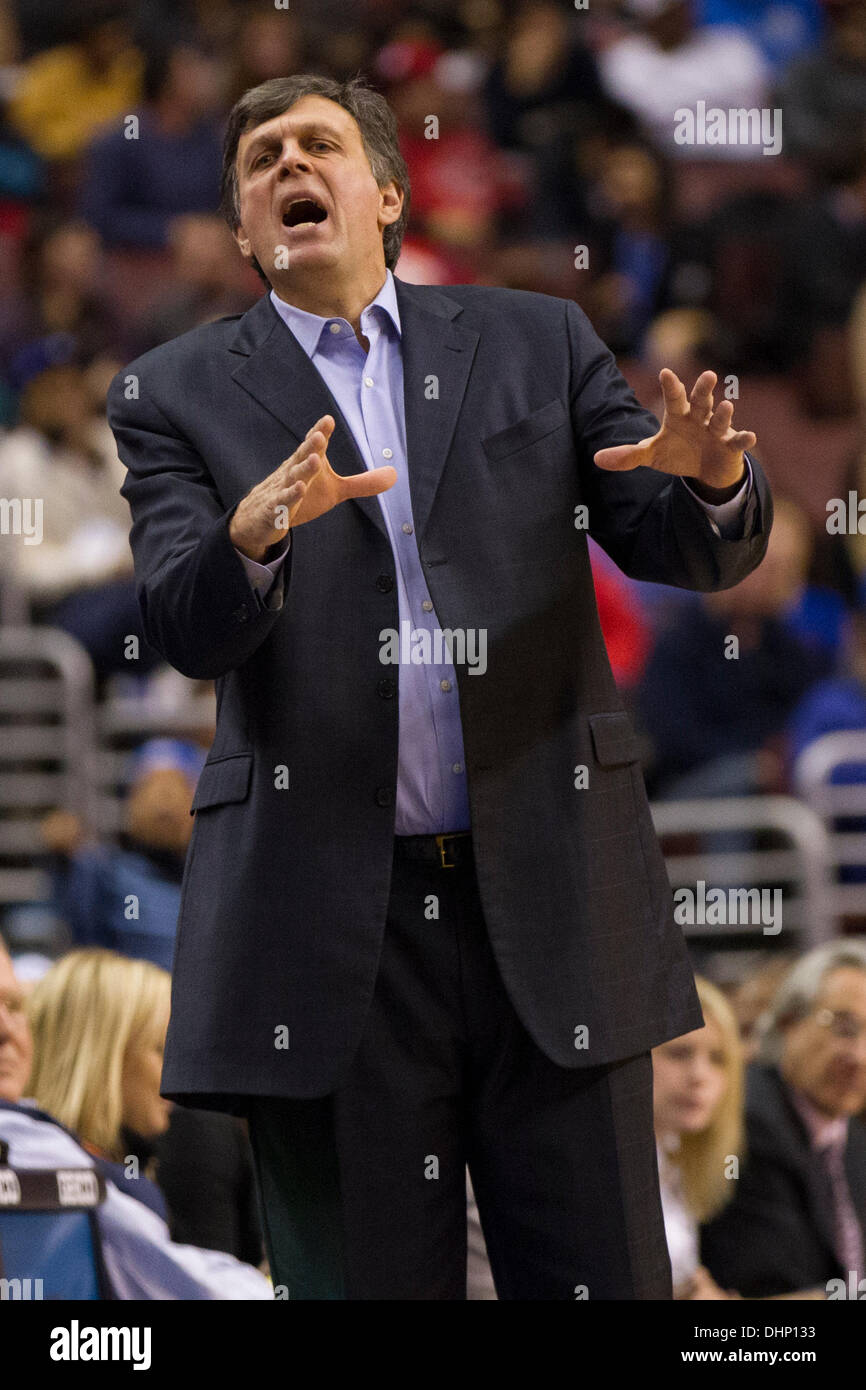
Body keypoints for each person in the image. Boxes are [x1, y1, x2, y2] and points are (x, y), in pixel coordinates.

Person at [107, 72, 772, 1300]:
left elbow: (672, 538)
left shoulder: (536, 339)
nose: (287, 167)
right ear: (249, 229)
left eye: (316, 145)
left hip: (552, 892)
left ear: (387, 194)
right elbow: (182, 630)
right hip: (326, 930)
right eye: (261, 159)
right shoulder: (176, 392)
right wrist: (248, 540)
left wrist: (712, 482)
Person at [0, 937, 269, 1297]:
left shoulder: (114, 1165)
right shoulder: (56, 1161)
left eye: (15, 1006)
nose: (175, 1079)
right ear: (104, 1060)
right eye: (161, 1050)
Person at [701, 941, 866, 1298]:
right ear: (790, 1021)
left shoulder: (849, 1131)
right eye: (844, 1027)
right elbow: (780, 1286)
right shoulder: (751, 1118)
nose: (859, 1055)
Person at [653, 975, 744, 1299]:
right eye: (679, 1053)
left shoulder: (675, 1155)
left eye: (717, 1059)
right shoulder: (599, 1166)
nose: (699, 1076)